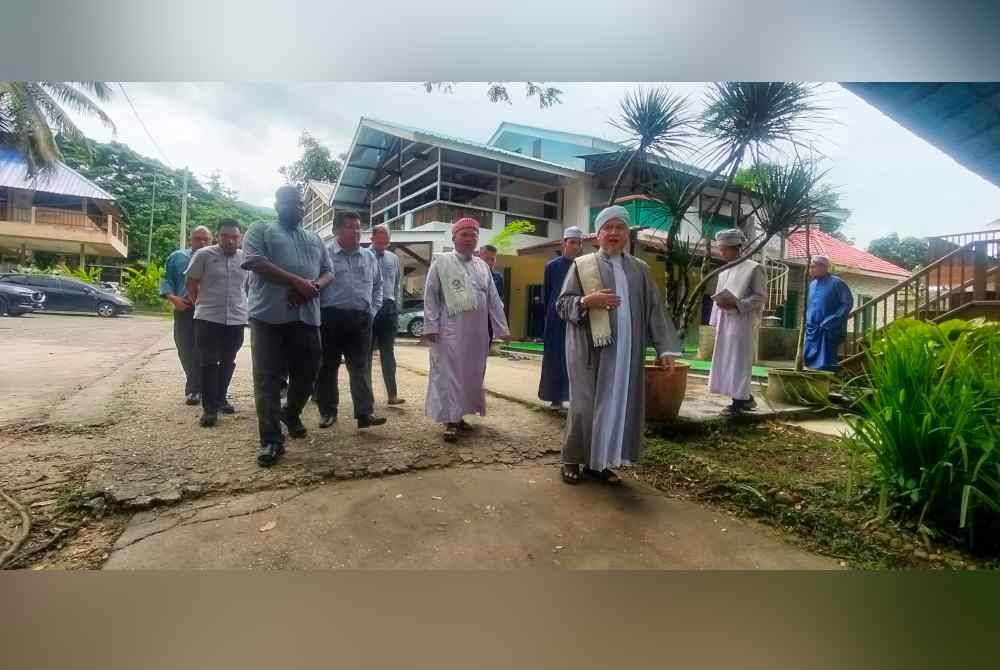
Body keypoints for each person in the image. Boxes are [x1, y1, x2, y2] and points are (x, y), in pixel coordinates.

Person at [558, 206, 681, 485]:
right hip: (589, 352)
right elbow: (562, 305)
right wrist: (586, 302)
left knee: (616, 406)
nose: (614, 233)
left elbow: (655, 311)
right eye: (608, 228)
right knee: (584, 406)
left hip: (627, 354)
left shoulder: (640, 269)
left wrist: (666, 349)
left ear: (627, 234)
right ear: (598, 234)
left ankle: (599, 463)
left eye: (620, 228)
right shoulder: (582, 266)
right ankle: (571, 459)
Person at [242, 186, 333, 468]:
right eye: (292, 203)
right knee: (267, 380)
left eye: (302, 204)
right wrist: (296, 282)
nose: (299, 208)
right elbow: (255, 262)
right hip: (267, 318)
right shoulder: (260, 229)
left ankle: (291, 413)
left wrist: (312, 287)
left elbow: (329, 271)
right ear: (277, 204)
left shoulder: (315, 238)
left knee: (309, 373)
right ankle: (271, 440)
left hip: (306, 317)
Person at [423, 218, 511, 443]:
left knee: (471, 374)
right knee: (450, 374)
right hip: (449, 331)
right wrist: (431, 326)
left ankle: (460, 415)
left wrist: (501, 328)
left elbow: (493, 299)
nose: (470, 239)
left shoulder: (482, 266)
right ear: (454, 238)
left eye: (474, 235)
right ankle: (451, 421)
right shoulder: (441, 263)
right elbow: (431, 297)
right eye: (465, 234)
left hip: (477, 332)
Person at [315, 211, 386, 430]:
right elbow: (315, 286)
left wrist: (372, 311)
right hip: (330, 318)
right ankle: (328, 412)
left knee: (360, 367)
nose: (356, 232)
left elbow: (378, 286)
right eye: (350, 227)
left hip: (361, 319)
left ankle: (365, 413)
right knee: (327, 367)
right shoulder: (324, 254)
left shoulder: (369, 256)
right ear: (336, 230)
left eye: (358, 227)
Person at [184, 219, 248, 427]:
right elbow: (191, 281)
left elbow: (249, 287)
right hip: (208, 318)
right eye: (226, 236)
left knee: (228, 361)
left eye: (234, 237)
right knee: (209, 362)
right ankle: (209, 409)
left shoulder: (246, 258)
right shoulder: (204, 255)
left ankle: (221, 399)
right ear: (218, 236)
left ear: (240, 238)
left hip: (236, 318)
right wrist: (198, 304)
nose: (230, 241)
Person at [707, 228, 767, 416]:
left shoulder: (754, 268)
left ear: (736, 248)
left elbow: (760, 296)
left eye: (725, 249)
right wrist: (715, 321)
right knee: (725, 360)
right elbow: (718, 296)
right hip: (725, 321)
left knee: (738, 361)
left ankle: (738, 402)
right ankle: (745, 398)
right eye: (720, 249)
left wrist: (739, 304)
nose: (721, 252)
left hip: (743, 322)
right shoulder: (724, 271)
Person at [160, 225, 213, 405]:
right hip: (184, 309)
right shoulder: (177, 257)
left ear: (211, 240)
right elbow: (166, 279)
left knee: (207, 350)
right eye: (198, 238)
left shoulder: (216, 258)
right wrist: (173, 299)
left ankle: (201, 389)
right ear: (191, 240)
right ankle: (195, 388)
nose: (202, 242)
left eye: (206, 239)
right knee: (185, 349)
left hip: (208, 310)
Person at [538, 226, 584, 409]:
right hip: (555, 318)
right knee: (554, 356)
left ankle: (574, 397)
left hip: (576, 316)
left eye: (578, 243)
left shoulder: (584, 265)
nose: (575, 246)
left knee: (575, 357)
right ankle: (554, 398)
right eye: (572, 242)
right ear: (564, 243)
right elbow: (548, 293)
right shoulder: (552, 266)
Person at [369, 224, 405, 405]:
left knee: (388, 353)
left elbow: (398, 283)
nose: (383, 244)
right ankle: (366, 399)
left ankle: (392, 395)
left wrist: (397, 307)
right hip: (369, 310)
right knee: (365, 353)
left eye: (386, 241)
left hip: (389, 309)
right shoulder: (365, 256)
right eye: (380, 240)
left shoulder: (393, 258)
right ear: (372, 238)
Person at [803, 255, 853, 371]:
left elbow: (847, 303)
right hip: (811, 329)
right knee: (808, 361)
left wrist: (833, 319)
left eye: (813, 267)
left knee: (826, 362)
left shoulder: (837, 283)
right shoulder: (812, 285)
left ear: (824, 267)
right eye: (810, 267)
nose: (811, 270)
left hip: (827, 329)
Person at [478, 243, 505, 342]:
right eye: (486, 259)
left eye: (492, 259)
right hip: (472, 319)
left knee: (485, 349)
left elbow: (499, 300)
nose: (489, 262)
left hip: (488, 320)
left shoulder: (498, 277)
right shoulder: (469, 273)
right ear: (479, 257)